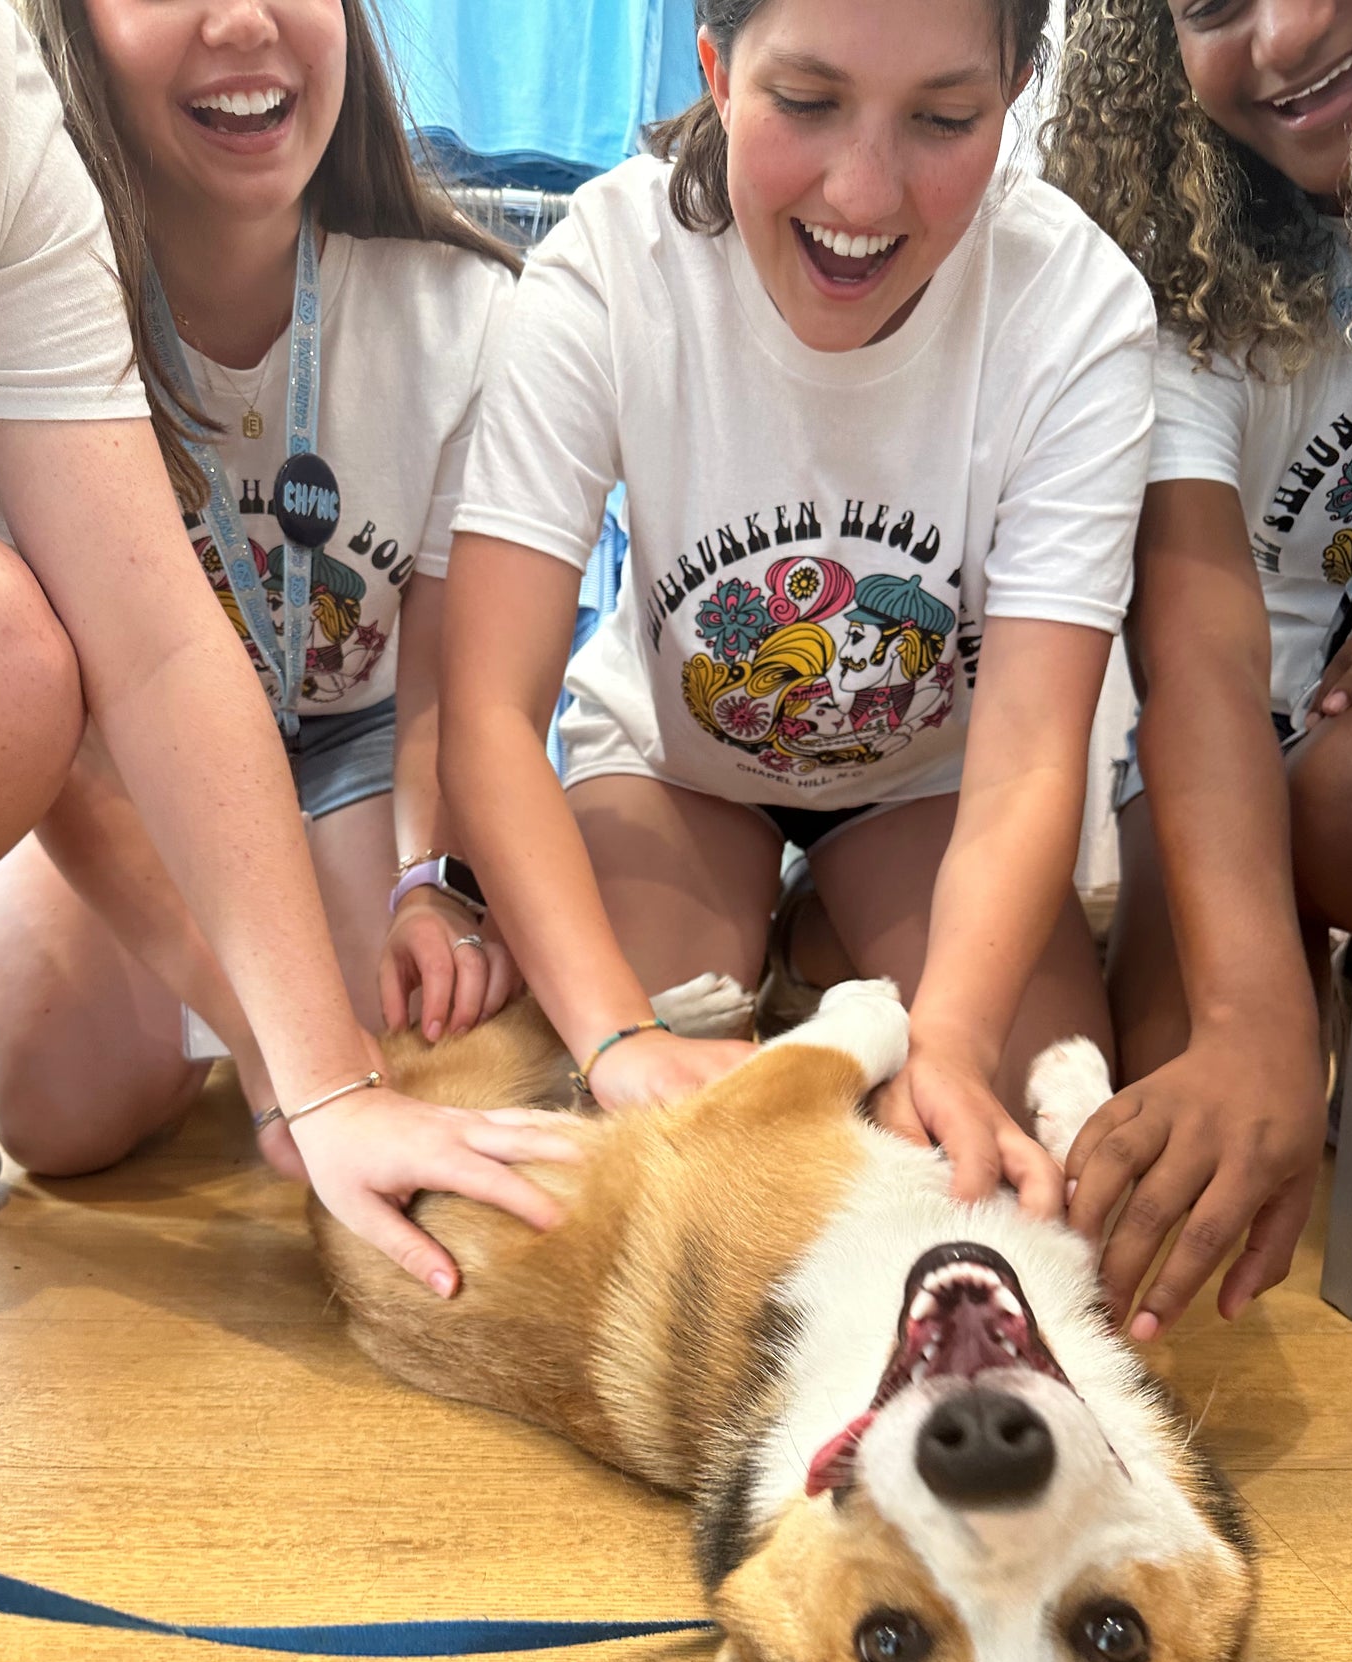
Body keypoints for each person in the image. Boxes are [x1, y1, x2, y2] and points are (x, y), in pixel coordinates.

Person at [439, 0, 1156, 1214]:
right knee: (646, 1157)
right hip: (676, 768)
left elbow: (1032, 752)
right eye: (807, 103)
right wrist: (616, 1041)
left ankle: (833, 943)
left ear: (1017, 89)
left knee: (1029, 1145)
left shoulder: (1075, 308)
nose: (863, 195)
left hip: (930, 787)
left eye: (942, 118)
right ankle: (810, 952)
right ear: (716, 71)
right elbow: (489, 713)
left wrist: (951, 1044)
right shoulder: (609, 269)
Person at [0, 0, 574, 1288]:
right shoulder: (47, 274)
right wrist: (289, 1063)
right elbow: (97, 690)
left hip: (344, 735)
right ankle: (226, 1049)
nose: (241, 18)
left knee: (408, 1028)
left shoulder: (464, 314)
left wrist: (427, 883)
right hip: (102, 756)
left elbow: (450, 692)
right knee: (57, 1105)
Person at [1042, 0, 1352, 1337]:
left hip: (1345, 760)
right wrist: (1251, 1016)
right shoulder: (1179, 303)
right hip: (1222, 751)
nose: (1285, 36)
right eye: (1211, 7)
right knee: (1180, 1150)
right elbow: (1200, 650)